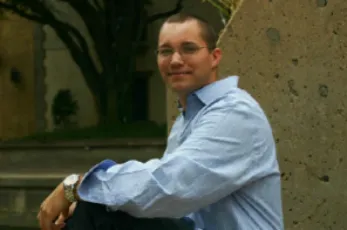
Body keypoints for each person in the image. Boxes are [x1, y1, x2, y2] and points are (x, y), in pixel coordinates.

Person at [37, 13, 284, 230]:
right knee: (96, 208)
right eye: (166, 51)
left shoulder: (235, 113)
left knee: (95, 209)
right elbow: (166, 205)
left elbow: (169, 185)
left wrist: (79, 186)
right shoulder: (186, 120)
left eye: (188, 48)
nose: (175, 60)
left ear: (214, 56)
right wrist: (93, 197)